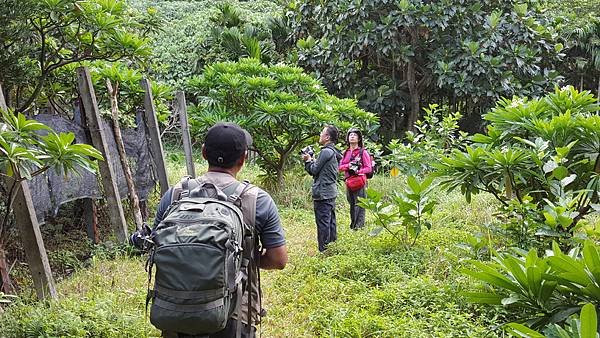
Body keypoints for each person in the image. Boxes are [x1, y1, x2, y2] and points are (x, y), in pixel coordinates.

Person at [150, 122, 288, 338]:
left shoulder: (176, 194)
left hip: (175, 309)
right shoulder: (257, 200)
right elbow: (279, 260)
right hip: (234, 312)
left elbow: (155, 246)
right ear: (243, 159)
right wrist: (238, 257)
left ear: (204, 152)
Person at [302, 125, 342, 252]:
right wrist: (313, 159)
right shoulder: (334, 151)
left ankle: (324, 251)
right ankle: (332, 247)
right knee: (330, 221)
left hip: (323, 193)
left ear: (327, 137)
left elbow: (314, 170)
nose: (320, 135)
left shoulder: (325, 151)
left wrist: (308, 161)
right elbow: (322, 169)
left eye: (322, 133)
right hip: (330, 192)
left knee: (323, 223)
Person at [338, 128, 373, 230]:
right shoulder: (346, 152)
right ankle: (353, 225)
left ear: (359, 139)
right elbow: (340, 167)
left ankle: (359, 227)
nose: (352, 136)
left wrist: (358, 170)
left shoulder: (363, 152)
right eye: (350, 135)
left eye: (355, 135)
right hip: (349, 181)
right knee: (352, 203)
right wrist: (349, 166)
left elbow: (368, 168)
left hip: (360, 181)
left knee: (360, 204)